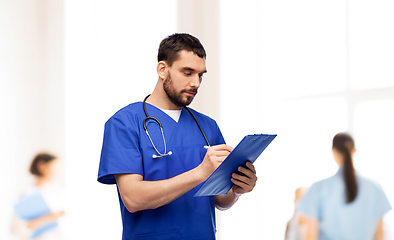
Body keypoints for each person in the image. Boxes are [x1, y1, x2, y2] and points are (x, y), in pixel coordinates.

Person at [97, 33, 258, 239]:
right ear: (162, 69)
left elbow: (220, 199)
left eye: (200, 75)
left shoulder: (207, 126)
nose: (196, 83)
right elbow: (133, 198)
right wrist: (199, 173)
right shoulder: (125, 123)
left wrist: (237, 189)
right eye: (188, 72)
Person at [296, 133, 392, 240]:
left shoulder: (318, 189)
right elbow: (380, 234)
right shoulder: (374, 188)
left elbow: (310, 235)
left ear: (333, 151)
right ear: (354, 151)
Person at [11, 153, 65, 240]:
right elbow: (16, 229)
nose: (59, 173)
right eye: (56, 168)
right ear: (42, 166)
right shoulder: (27, 194)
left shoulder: (59, 192)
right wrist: (48, 218)